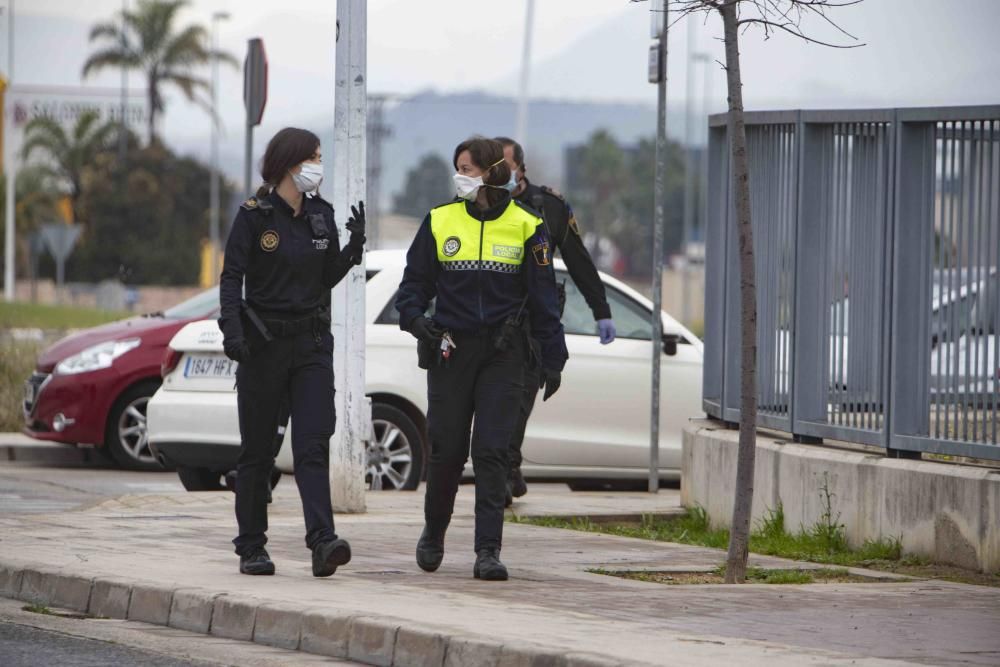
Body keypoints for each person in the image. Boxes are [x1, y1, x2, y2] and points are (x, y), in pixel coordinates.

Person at [395, 136, 567, 581]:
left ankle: (487, 550)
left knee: (492, 452)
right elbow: (413, 286)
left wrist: (554, 357)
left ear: (491, 173)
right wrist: (417, 321)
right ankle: (434, 533)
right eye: (458, 168)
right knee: (447, 451)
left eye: (467, 168)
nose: (460, 176)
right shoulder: (439, 220)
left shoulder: (528, 224)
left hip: (504, 353)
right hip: (452, 350)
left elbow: (544, 298)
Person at [218, 127, 366, 577]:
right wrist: (232, 330)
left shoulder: (321, 215)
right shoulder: (254, 216)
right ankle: (252, 546)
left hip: (312, 345)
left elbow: (325, 278)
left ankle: (322, 541)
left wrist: (355, 248)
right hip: (264, 345)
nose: (319, 167)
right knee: (258, 450)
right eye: (313, 158)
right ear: (289, 163)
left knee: (312, 445)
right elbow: (231, 279)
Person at [495, 136, 615, 504]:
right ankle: (505, 468)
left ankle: (505, 468)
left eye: (504, 166)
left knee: (520, 400)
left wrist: (602, 311)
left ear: (520, 168)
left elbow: (578, 261)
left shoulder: (550, 207)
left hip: (534, 325)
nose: (499, 174)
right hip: (494, 322)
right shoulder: (479, 206)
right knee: (497, 402)